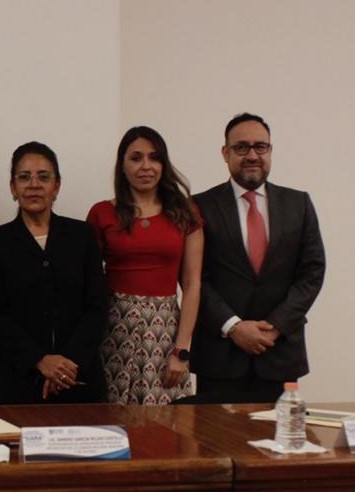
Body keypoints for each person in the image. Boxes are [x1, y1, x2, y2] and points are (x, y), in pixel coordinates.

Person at [191, 113, 325, 402]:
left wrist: (275, 327)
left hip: (279, 354)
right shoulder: (199, 206)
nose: (252, 155)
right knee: (215, 433)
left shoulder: (299, 204)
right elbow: (195, 278)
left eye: (260, 147)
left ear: (270, 151)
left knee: (278, 432)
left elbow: (312, 273)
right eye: (241, 147)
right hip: (220, 356)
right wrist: (233, 327)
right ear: (225, 153)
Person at [0, 142, 106, 404]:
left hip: (80, 377)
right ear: (13, 187)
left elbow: (97, 307)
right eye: (24, 177)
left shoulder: (82, 236)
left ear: (56, 186)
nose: (34, 185)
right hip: (19, 379)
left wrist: (65, 366)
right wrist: (39, 360)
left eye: (43, 177)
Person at [87, 126, 203, 404]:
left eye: (154, 157)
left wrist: (181, 350)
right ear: (122, 165)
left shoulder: (185, 212)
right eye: (136, 158)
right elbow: (87, 281)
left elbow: (192, 284)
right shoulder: (102, 213)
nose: (146, 166)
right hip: (114, 328)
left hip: (165, 332)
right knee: (112, 416)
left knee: (166, 418)